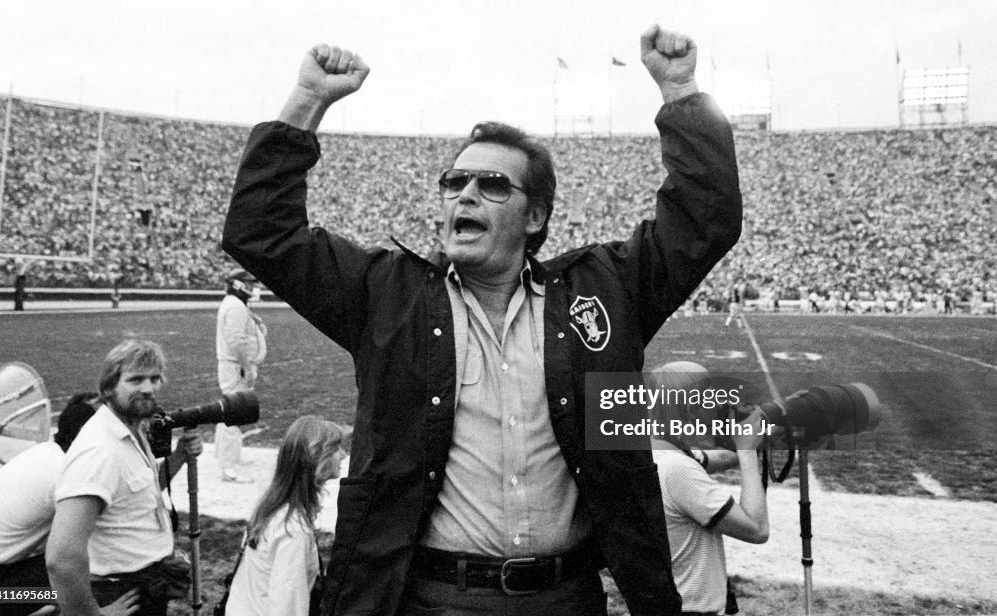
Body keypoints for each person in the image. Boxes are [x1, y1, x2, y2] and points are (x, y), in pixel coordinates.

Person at [222, 22, 742, 616]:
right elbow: (261, 231)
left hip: (566, 598)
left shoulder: (603, 291)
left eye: (492, 184)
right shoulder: (387, 295)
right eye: (454, 182)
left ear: (535, 214)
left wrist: (681, 92)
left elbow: (706, 219)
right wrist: (308, 99)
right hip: (431, 598)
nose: (464, 194)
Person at [46, 340, 204, 616]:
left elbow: (137, 495)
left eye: (155, 378)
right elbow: (61, 558)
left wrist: (178, 456)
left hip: (145, 587)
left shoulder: (130, 428)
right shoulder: (99, 450)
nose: (148, 387)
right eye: (136, 379)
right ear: (108, 387)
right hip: (119, 593)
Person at [0, 393, 140, 616]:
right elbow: (127, 513)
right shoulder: (68, 477)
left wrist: (175, 457)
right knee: (76, 569)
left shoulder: (46, 453)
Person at [648, 362, 770, 615]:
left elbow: (714, 459)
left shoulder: (652, 450)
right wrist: (747, 451)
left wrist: (753, 435)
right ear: (692, 410)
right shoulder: (678, 471)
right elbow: (756, 529)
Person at [225, 416, 350, 616]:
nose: (343, 455)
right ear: (317, 458)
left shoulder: (272, 508)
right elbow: (288, 608)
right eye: (336, 448)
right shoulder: (292, 530)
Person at [215, 269, 267, 483]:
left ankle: (227, 456)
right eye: (248, 282)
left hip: (235, 365)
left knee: (229, 411)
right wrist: (247, 366)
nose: (254, 287)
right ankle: (228, 468)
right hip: (236, 366)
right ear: (238, 284)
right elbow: (236, 340)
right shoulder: (235, 306)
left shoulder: (236, 305)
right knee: (234, 413)